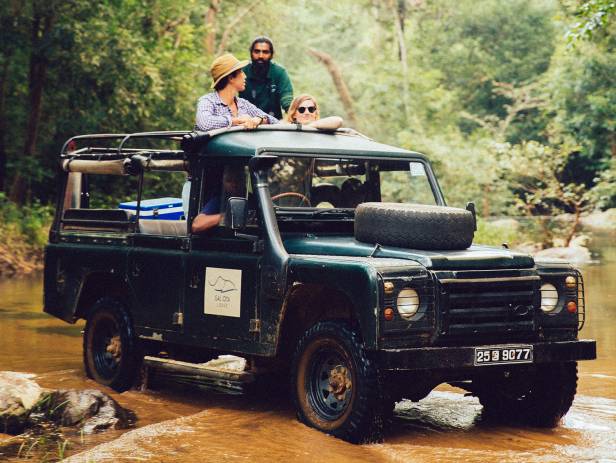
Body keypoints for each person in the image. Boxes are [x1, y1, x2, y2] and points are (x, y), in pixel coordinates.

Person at [195, 53, 278, 132]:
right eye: (241, 72)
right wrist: (238, 120)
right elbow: (204, 123)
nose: (245, 76)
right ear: (231, 78)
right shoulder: (208, 101)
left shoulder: (243, 104)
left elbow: (275, 122)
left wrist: (259, 119)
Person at [239, 36, 293, 119]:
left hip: (273, 124)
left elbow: (287, 98)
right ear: (251, 53)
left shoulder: (279, 72)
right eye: (257, 51)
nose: (260, 56)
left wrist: (293, 113)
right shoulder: (242, 71)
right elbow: (229, 94)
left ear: (271, 54)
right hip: (245, 123)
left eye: (265, 52)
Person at [191, 166, 246, 233]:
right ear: (223, 182)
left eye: (238, 180)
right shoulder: (218, 201)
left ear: (244, 180)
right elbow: (196, 224)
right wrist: (226, 217)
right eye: (229, 181)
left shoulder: (255, 200)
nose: (234, 184)